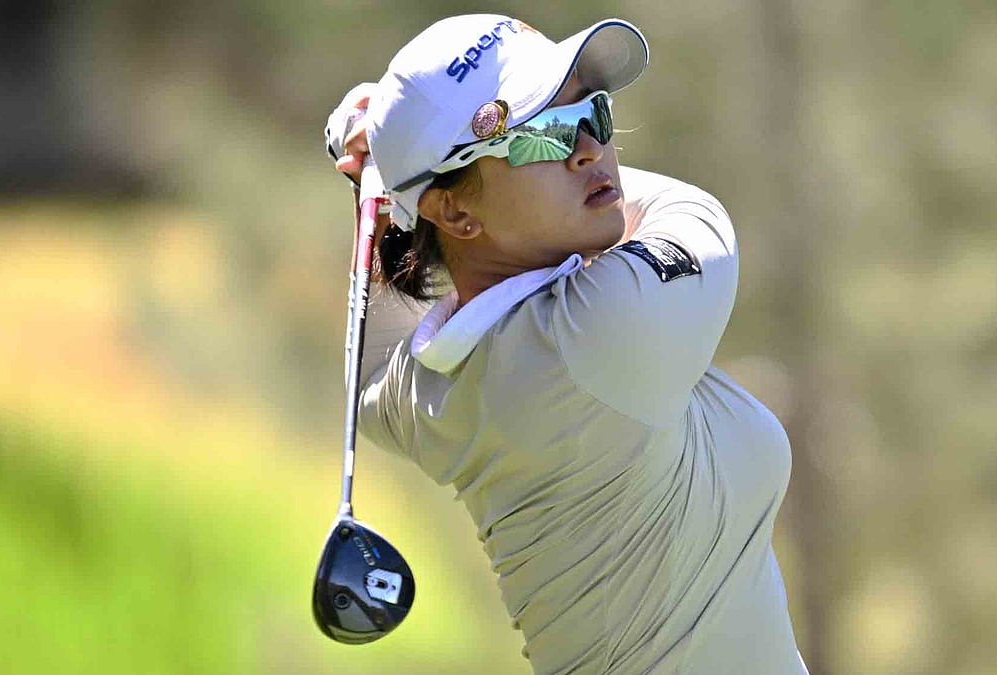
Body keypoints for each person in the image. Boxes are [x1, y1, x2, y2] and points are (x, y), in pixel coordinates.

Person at [323, 14, 809, 674]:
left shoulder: (429, 387)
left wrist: (384, 181)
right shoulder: (605, 329)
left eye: (595, 111)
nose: (589, 147)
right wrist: (385, 169)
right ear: (457, 212)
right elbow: (698, 216)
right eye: (547, 132)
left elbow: (374, 350)